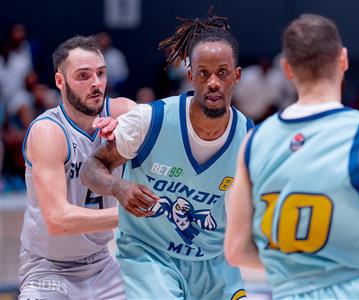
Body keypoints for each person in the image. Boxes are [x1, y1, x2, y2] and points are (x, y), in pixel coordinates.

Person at [224, 14, 359, 300]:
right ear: (343, 59)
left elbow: (235, 250)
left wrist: (298, 266)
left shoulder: (253, 142)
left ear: (286, 69)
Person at [80, 12, 253, 300]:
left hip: (213, 262)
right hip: (149, 254)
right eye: (203, 73)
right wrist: (118, 187)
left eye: (222, 72)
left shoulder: (247, 136)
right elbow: (91, 168)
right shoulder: (152, 120)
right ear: (190, 76)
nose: (213, 82)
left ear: (236, 76)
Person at [19, 35, 135, 300]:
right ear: (60, 81)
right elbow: (58, 220)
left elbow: (171, 126)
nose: (96, 83)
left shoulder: (123, 113)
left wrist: (131, 133)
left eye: (101, 74)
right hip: (47, 269)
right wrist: (132, 213)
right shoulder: (48, 131)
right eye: (83, 76)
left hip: (103, 265)